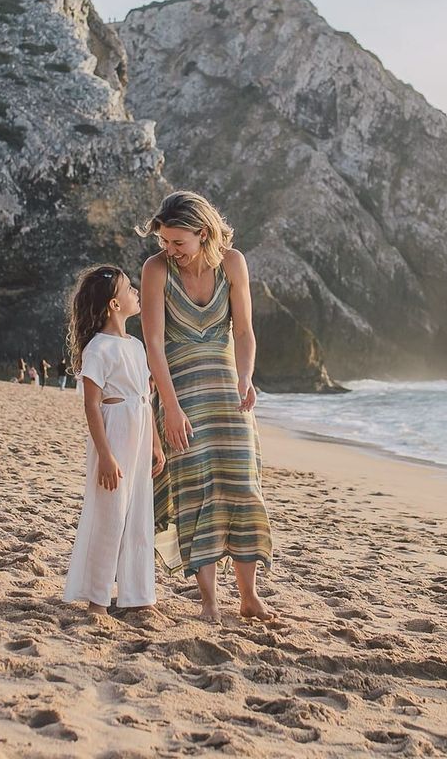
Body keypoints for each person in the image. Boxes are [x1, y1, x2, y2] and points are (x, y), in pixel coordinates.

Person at [139, 191, 274, 622]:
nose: (170, 249)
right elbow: (153, 343)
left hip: (228, 394)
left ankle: (249, 596)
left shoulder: (233, 263)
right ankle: (209, 601)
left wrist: (246, 376)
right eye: (164, 241)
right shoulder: (156, 270)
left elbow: (245, 331)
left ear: (203, 233)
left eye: (178, 242)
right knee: (195, 490)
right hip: (179, 394)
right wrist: (170, 408)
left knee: (242, 486)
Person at [61, 264, 165, 614]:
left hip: (140, 431)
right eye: (129, 288)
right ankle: (98, 599)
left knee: (138, 516)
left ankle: (138, 596)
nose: (136, 291)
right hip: (115, 434)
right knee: (111, 515)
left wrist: (155, 444)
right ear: (114, 305)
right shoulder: (99, 348)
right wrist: (105, 455)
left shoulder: (135, 345)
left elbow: (145, 399)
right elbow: (92, 404)